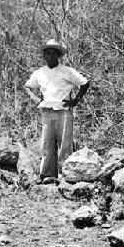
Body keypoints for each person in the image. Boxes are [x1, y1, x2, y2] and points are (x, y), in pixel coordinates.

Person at [24, 39, 89, 184]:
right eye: (47, 53)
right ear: (44, 56)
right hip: (46, 111)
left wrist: (75, 101)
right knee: (47, 143)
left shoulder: (67, 71)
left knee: (65, 144)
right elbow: (27, 86)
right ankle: (48, 175)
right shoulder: (39, 73)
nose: (50, 56)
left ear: (58, 55)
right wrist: (36, 100)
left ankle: (65, 175)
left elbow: (84, 83)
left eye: (53, 53)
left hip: (63, 111)